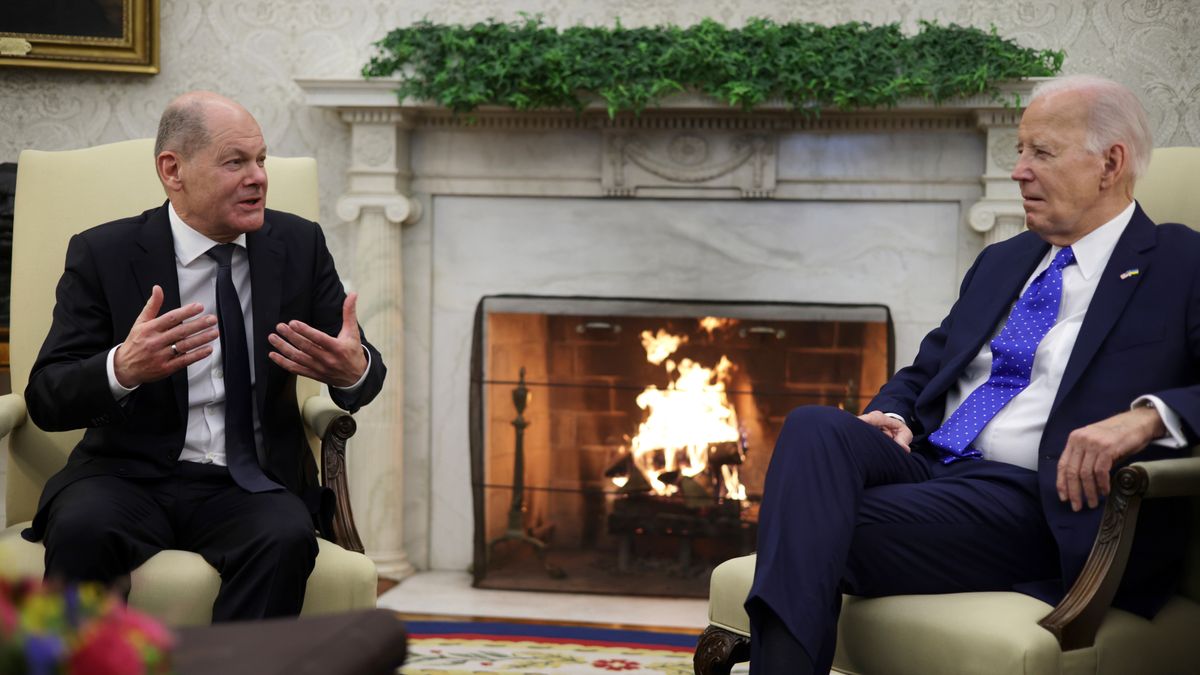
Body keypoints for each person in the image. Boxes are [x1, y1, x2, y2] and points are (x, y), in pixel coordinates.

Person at [746, 74, 1196, 673]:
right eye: (1019, 151)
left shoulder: (1179, 262)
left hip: (1034, 497)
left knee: (805, 525)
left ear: (1109, 164)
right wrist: (895, 414)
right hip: (931, 465)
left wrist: (1145, 420)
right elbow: (927, 366)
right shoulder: (1004, 259)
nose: (1018, 171)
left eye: (1041, 153)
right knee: (811, 428)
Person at [21, 91, 387, 621]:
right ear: (173, 170)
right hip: (125, 476)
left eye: (260, 160)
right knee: (83, 531)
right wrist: (121, 369)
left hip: (250, 480)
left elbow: (358, 363)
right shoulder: (106, 253)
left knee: (284, 537)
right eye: (235, 162)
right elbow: (47, 397)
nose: (258, 177)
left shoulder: (298, 244)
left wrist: (355, 372)